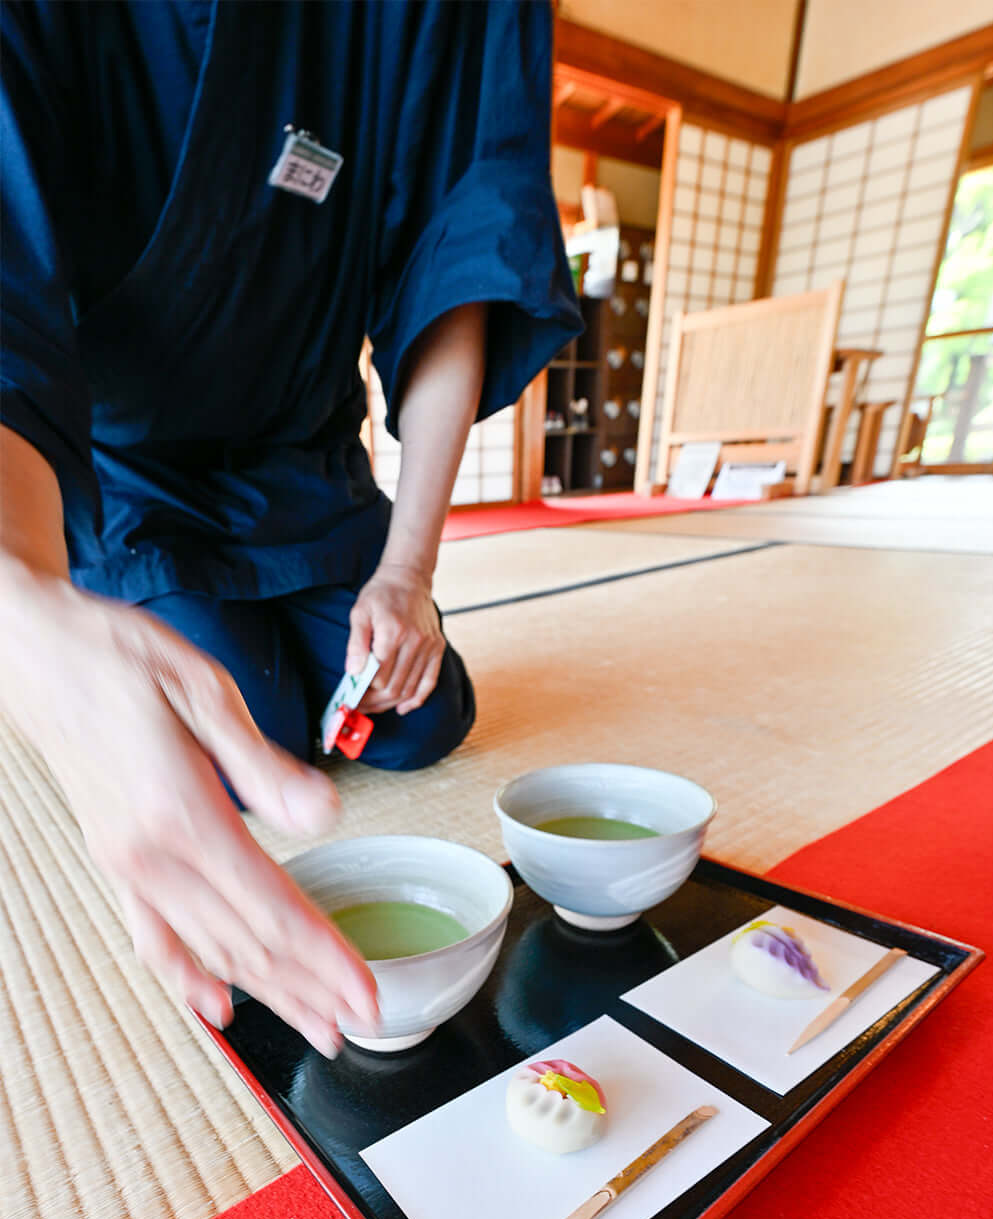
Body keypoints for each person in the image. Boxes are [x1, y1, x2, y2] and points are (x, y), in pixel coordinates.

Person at [0, 0, 582, 1055]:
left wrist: (407, 574)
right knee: (244, 736)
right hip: (134, 479)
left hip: (310, 470)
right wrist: (26, 611)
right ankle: (119, 602)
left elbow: (461, 244)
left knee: (422, 718)